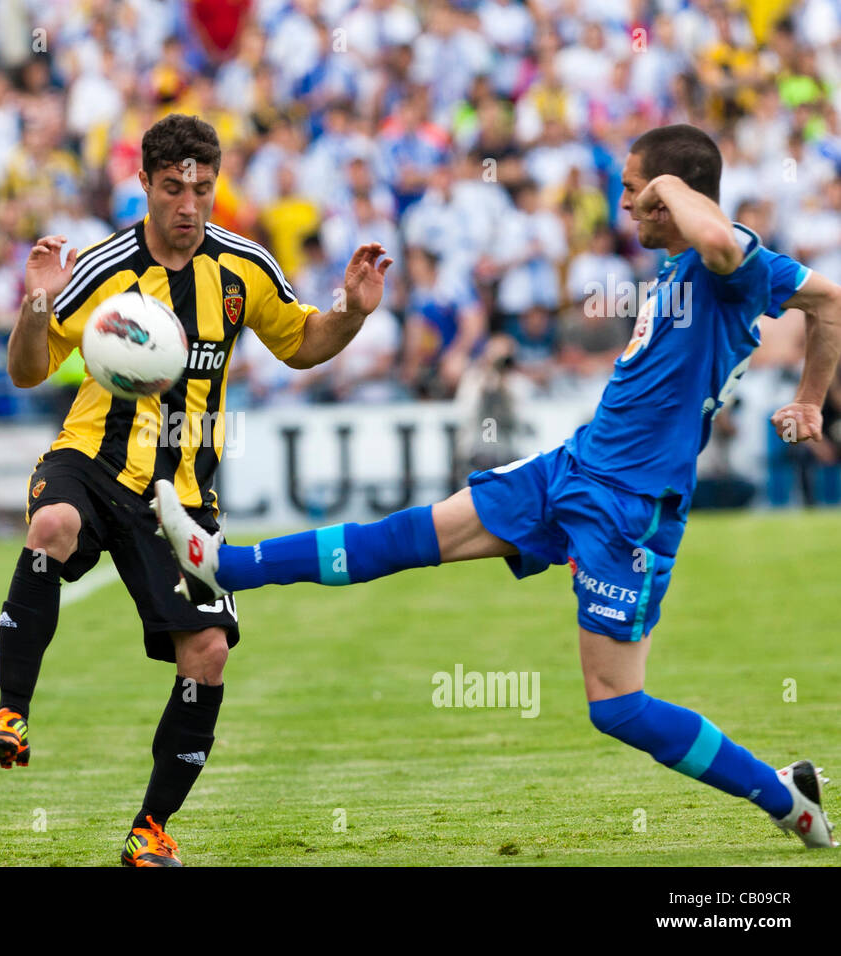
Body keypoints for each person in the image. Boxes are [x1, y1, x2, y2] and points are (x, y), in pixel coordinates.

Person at [152, 124, 841, 850]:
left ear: (673, 197)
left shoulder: (730, 260)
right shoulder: (678, 259)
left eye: (635, 189)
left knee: (616, 706)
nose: (625, 203)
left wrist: (677, 192)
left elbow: (771, 269)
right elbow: (827, 306)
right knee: (409, 535)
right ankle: (226, 564)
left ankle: (784, 795)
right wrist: (810, 396)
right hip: (572, 469)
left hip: (630, 511)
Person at [0, 113, 391, 866]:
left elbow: (302, 345)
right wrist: (36, 304)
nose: (190, 204)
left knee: (206, 652)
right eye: (173, 188)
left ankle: (149, 828)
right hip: (91, 461)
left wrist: (352, 313)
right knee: (53, 527)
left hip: (181, 494)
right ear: (145, 186)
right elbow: (28, 371)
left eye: (203, 186)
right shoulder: (103, 269)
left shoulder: (242, 268)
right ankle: (11, 713)